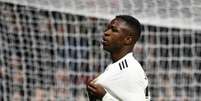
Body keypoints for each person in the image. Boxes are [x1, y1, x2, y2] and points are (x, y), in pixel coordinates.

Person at [86, 15, 149, 101]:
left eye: (114, 30)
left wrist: (104, 97)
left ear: (128, 39)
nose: (106, 33)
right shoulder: (117, 65)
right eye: (108, 28)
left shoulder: (130, 70)